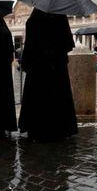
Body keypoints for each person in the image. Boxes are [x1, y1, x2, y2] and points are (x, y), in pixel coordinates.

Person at [19, 8, 78, 141]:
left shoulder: (33, 20)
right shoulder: (60, 18)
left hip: (37, 67)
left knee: (38, 97)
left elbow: (29, 45)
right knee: (57, 96)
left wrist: (26, 63)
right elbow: (68, 44)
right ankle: (59, 128)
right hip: (56, 66)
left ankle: (37, 128)